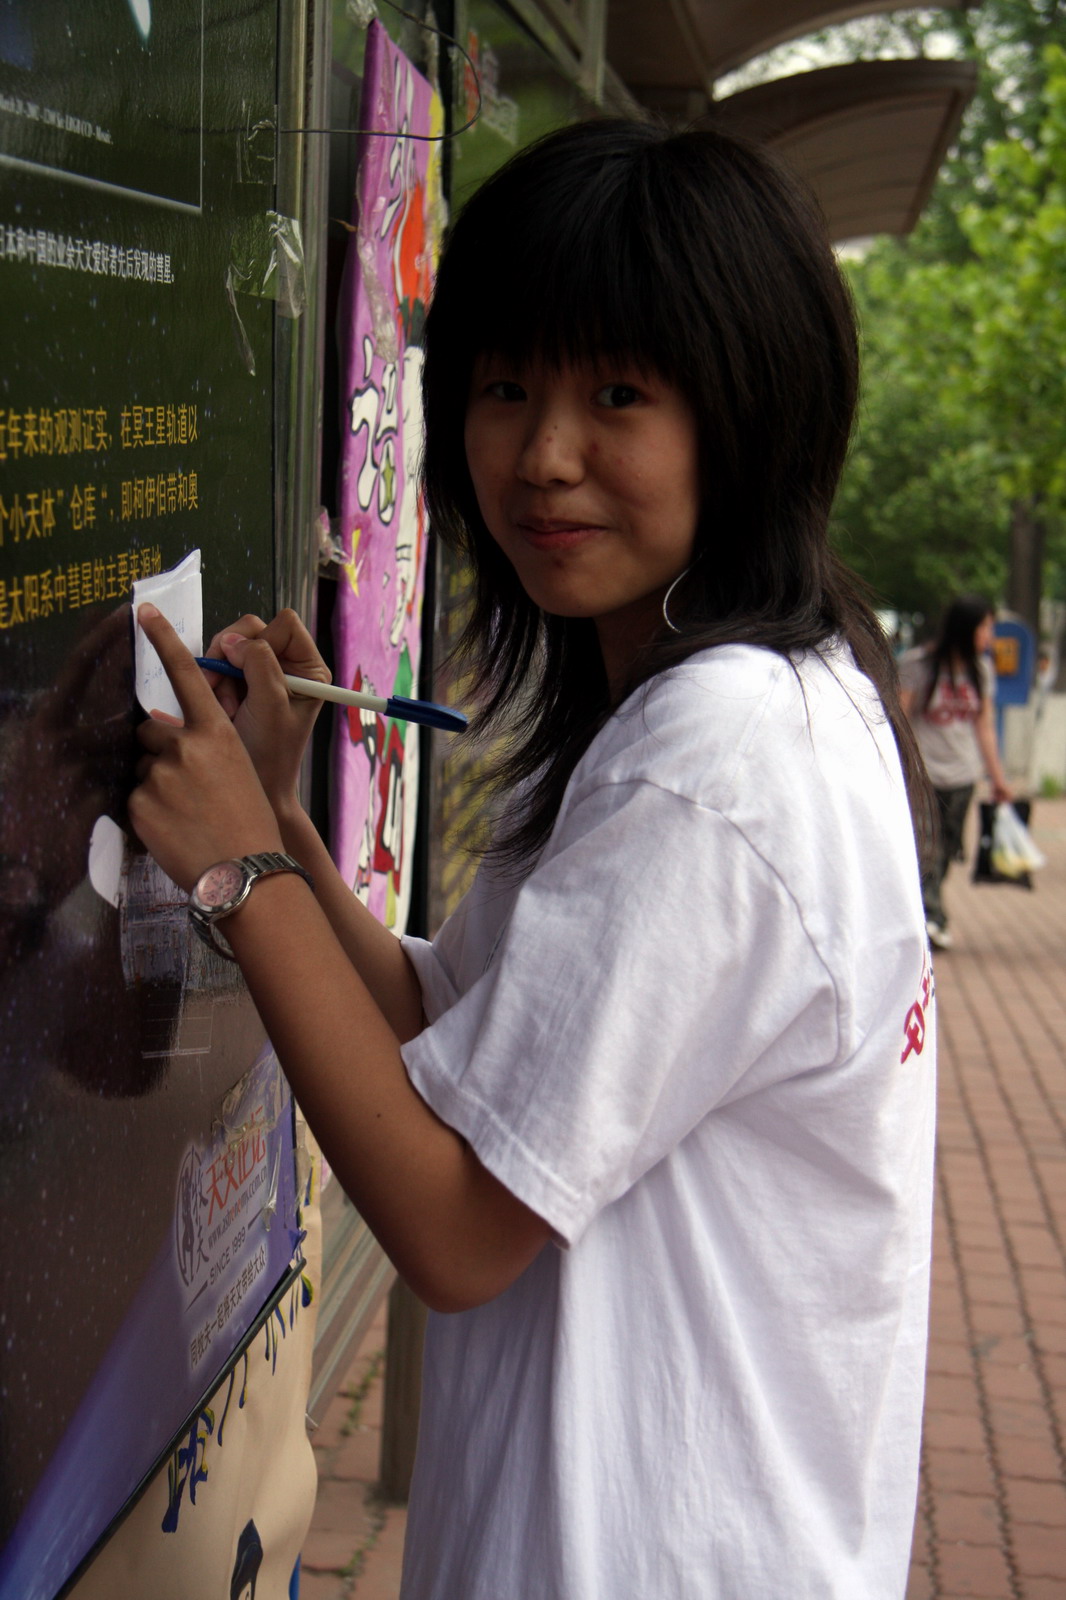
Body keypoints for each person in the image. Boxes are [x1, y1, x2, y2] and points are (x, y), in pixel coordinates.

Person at [130, 120, 936, 1600]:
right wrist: (284, 827)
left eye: (615, 394)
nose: (543, 456)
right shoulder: (737, 700)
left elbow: (453, 1226)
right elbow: (457, 1036)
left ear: (744, 414)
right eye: (504, 388)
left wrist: (239, 879)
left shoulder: (718, 760)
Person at [899, 596, 1012, 949]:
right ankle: (933, 918)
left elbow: (985, 727)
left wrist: (998, 779)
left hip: (963, 777)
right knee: (927, 847)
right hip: (925, 775)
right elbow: (899, 719)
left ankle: (926, 912)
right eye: (985, 627)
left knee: (947, 849)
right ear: (966, 628)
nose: (990, 635)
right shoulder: (920, 664)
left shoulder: (982, 670)